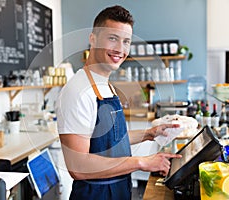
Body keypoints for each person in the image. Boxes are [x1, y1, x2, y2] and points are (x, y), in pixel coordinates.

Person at [56, 5, 182, 200]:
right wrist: (141, 162)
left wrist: (149, 133)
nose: (120, 49)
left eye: (126, 42)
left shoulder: (107, 86)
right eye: (112, 38)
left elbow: (109, 139)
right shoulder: (77, 91)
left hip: (118, 191)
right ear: (93, 39)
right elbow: (78, 166)